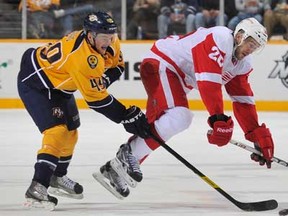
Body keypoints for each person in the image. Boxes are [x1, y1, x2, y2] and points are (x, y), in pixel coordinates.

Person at [94, 17, 275, 199]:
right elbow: (208, 82)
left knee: (159, 126)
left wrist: (256, 133)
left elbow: (243, 100)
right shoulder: (220, 38)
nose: (250, 49)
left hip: (177, 77)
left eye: (255, 47)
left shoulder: (243, 64)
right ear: (239, 36)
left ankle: (115, 170)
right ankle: (127, 155)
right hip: (162, 63)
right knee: (179, 117)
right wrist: (218, 119)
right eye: (250, 43)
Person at [17, 11, 150, 210]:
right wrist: (125, 115)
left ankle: (57, 176)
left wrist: (102, 81)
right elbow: (96, 100)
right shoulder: (81, 57)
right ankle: (38, 187)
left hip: (61, 85)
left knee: (71, 132)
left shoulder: (110, 42)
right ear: (90, 35)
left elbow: (118, 66)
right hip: (37, 84)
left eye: (111, 36)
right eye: (104, 38)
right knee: (57, 131)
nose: (109, 41)